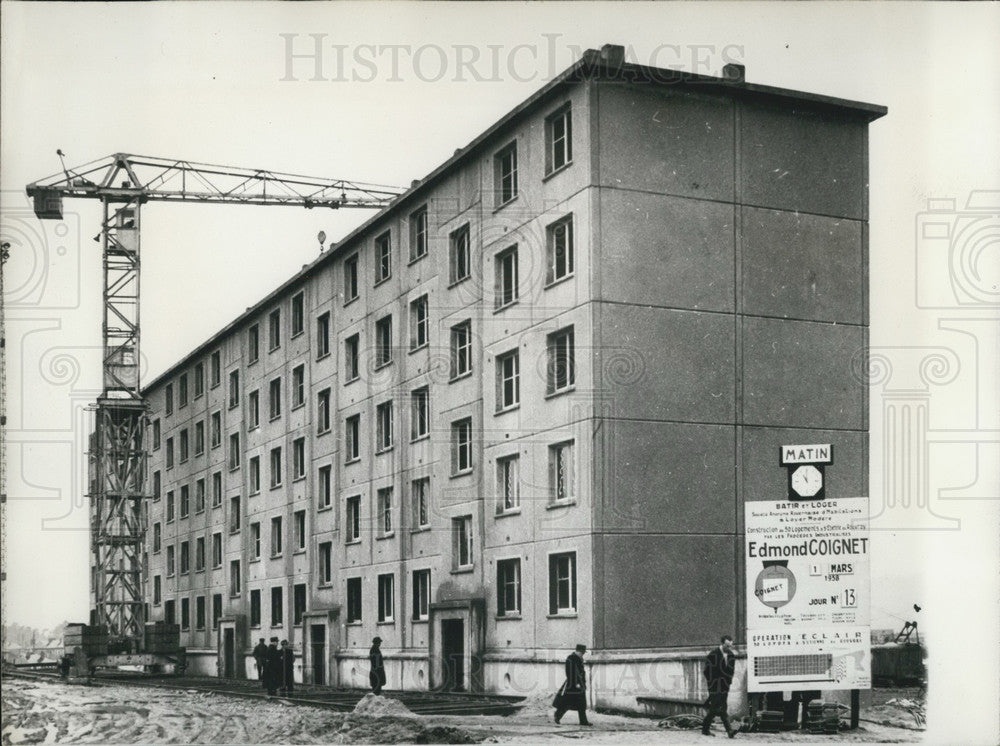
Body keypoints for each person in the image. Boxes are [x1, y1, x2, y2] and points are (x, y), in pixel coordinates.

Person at [702, 635, 737, 738]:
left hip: (725, 686)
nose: (729, 648)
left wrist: (728, 683)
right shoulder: (713, 655)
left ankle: (705, 730)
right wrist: (712, 684)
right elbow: (706, 672)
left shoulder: (731, 655)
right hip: (715, 686)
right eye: (727, 646)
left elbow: (731, 671)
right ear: (722, 644)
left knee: (718, 708)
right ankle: (729, 731)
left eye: (730, 646)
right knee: (718, 708)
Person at [553, 644, 591, 726]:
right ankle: (558, 715)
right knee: (567, 702)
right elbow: (570, 672)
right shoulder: (571, 659)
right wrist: (576, 683)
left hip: (579, 684)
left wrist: (582, 683)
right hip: (573, 685)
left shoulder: (578, 658)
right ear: (579, 651)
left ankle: (583, 721)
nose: (583, 653)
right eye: (583, 652)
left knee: (581, 704)